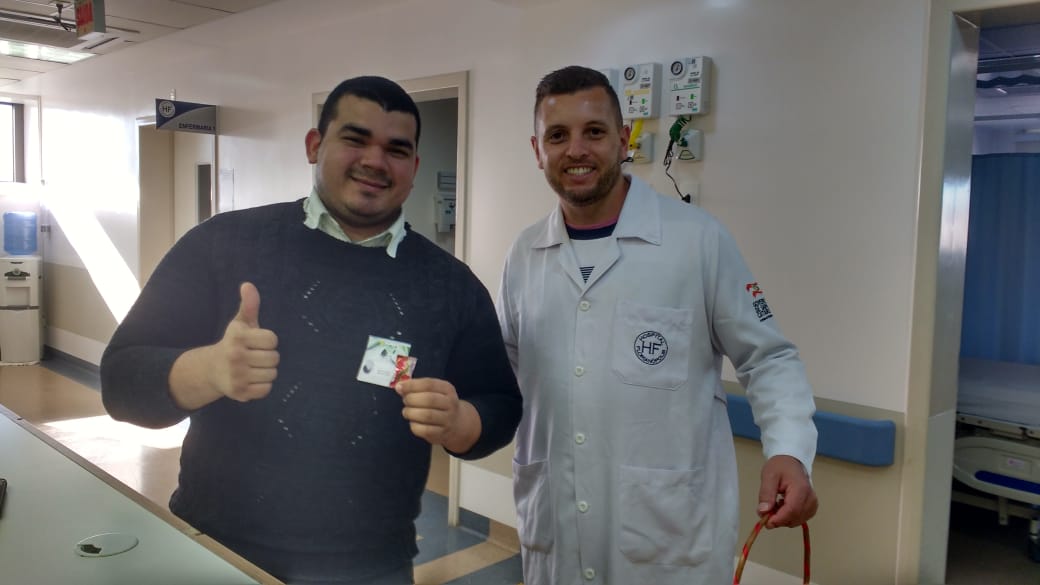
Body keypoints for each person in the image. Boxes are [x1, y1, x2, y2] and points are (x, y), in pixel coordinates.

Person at [100, 75, 522, 585]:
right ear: (314, 146)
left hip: (372, 566)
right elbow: (120, 382)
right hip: (217, 551)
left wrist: (460, 422)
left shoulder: (451, 286)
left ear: (413, 167)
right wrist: (208, 371)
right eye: (355, 139)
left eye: (396, 149)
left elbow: (500, 403)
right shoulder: (220, 245)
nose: (375, 161)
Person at [496, 65, 818, 585]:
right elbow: (507, 373)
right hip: (555, 533)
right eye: (557, 135)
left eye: (594, 131)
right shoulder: (524, 254)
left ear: (623, 139)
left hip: (669, 541)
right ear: (537, 150)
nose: (576, 149)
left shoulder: (698, 240)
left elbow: (769, 358)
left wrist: (789, 450)